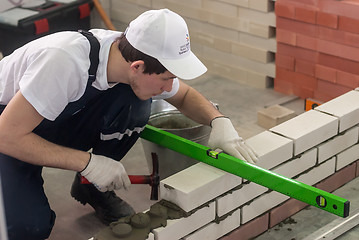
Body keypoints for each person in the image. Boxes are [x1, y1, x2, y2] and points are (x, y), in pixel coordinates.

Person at [0, 8, 257, 240]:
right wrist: (88, 162)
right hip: (9, 129)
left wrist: (219, 121)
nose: (169, 88)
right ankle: (88, 173)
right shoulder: (64, 61)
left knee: (136, 101)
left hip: (51, 118)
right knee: (27, 228)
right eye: (166, 79)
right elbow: (7, 135)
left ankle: (94, 188)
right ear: (137, 66)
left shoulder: (129, 54)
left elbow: (185, 95)